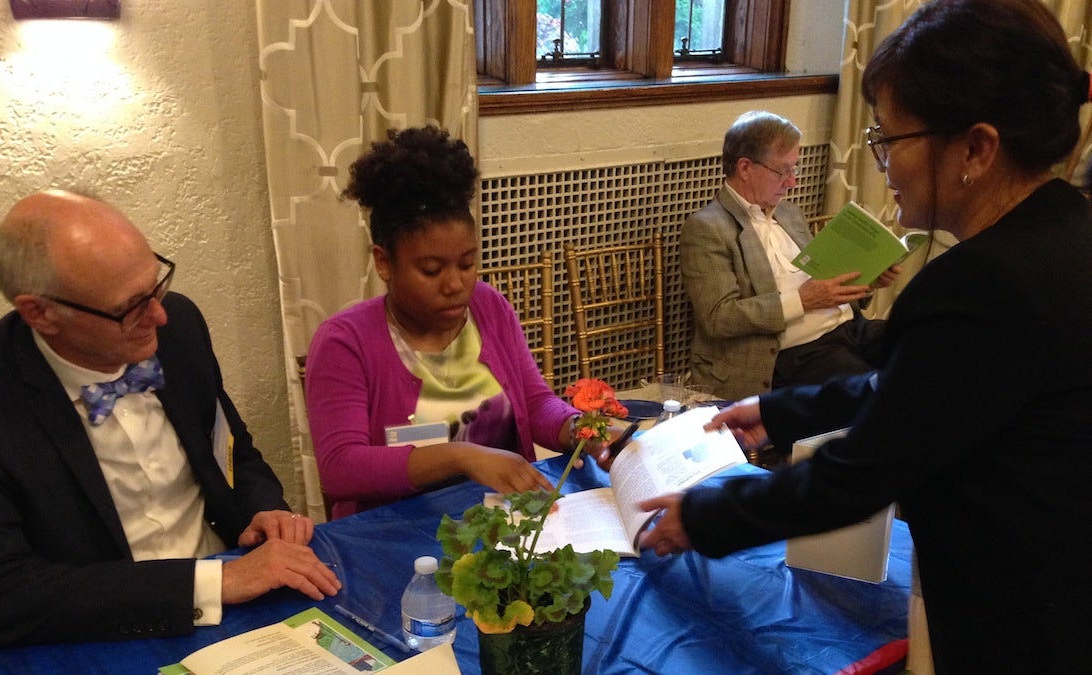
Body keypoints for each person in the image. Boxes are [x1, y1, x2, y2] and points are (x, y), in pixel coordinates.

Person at [639, 1, 1092, 672]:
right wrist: (775, 411)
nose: (880, 160)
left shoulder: (984, 281)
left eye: (889, 137)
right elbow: (918, 388)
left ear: (975, 146)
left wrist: (702, 515)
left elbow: (856, 475)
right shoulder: (1063, 229)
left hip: (1019, 603)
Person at [0, 190, 341, 648]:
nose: (158, 314)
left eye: (157, 284)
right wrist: (215, 583)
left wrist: (263, 507)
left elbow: (233, 447)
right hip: (109, 632)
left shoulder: (179, 326)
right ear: (40, 313)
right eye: (129, 307)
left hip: (241, 600)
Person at [307, 126, 616, 519]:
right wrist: (461, 456)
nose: (456, 284)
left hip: (505, 523)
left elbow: (535, 403)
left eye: (467, 263)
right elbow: (341, 469)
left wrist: (580, 429)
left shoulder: (489, 306)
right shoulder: (345, 342)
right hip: (394, 533)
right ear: (384, 262)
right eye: (432, 270)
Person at [681, 110, 898, 402]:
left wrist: (868, 279)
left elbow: (821, 278)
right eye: (783, 171)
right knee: (875, 393)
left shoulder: (789, 213)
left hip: (850, 329)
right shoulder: (708, 227)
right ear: (745, 168)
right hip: (794, 353)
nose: (792, 182)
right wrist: (803, 301)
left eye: (795, 169)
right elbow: (719, 318)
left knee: (926, 348)